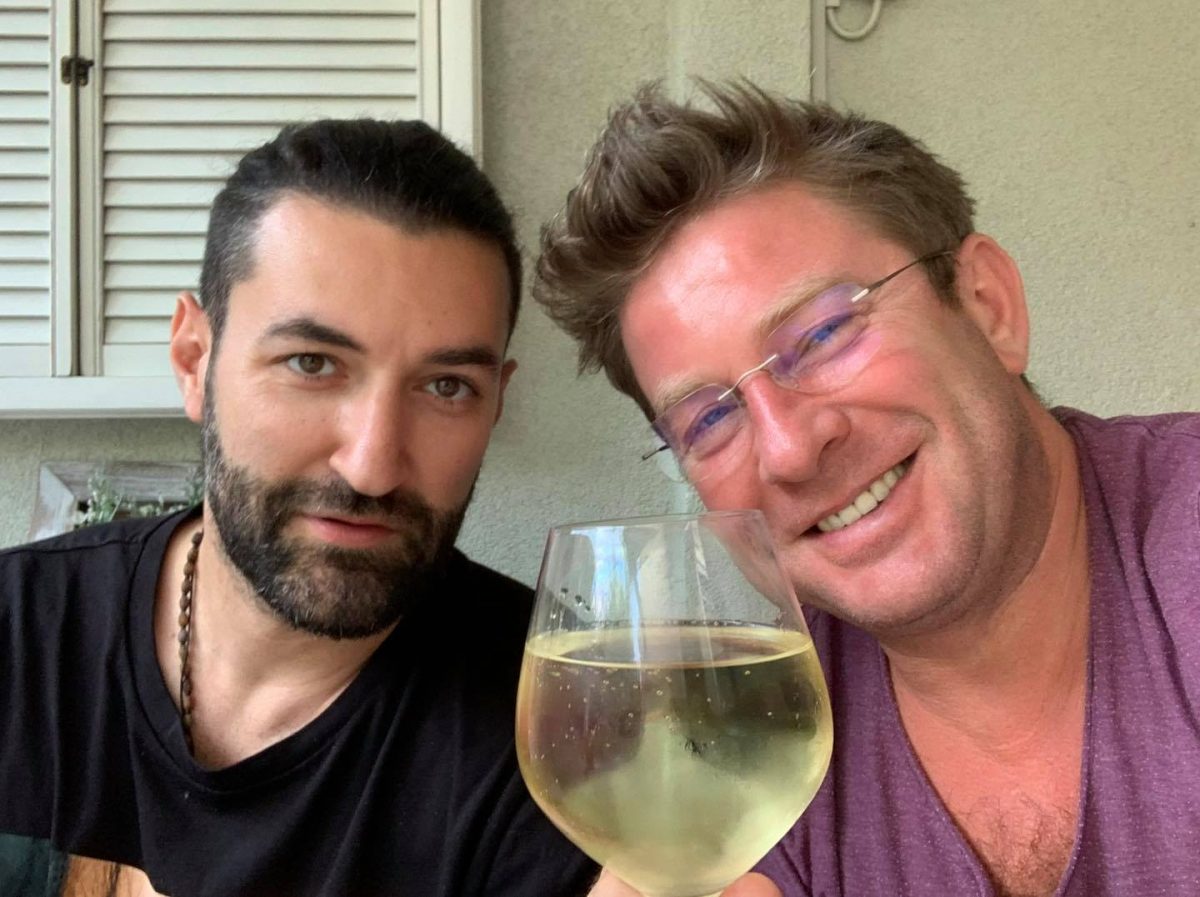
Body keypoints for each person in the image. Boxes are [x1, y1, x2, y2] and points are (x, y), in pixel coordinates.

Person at [534, 81, 1200, 897]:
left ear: (988, 305)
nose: (789, 449)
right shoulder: (759, 738)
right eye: (709, 419)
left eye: (822, 334)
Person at [0, 119, 596, 896]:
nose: (372, 464)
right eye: (312, 363)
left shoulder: (564, 717)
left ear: (497, 402)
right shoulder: (17, 637)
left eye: (447, 386)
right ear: (194, 360)